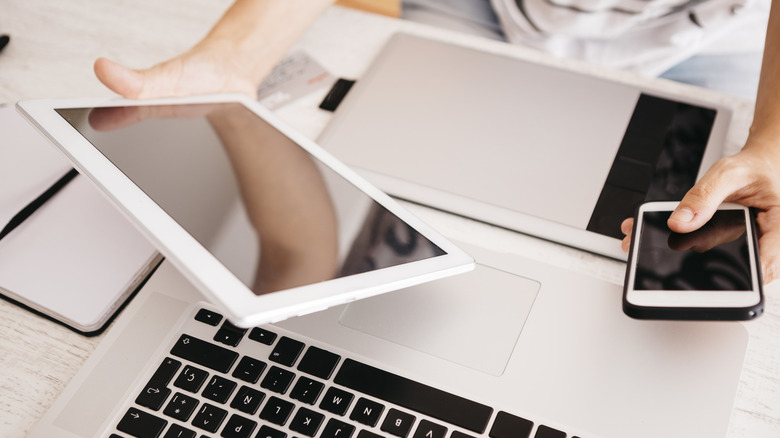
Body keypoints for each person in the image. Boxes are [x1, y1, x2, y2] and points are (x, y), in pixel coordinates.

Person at [94, 0, 780, 283]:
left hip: (721, 32)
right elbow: (300, 254)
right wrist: (236, 57)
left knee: (684, 263)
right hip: (494, 11)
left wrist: (774, 141)